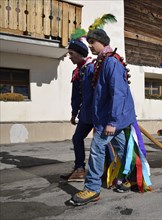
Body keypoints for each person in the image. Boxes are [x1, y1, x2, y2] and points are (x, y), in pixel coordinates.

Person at [70, 29, 151, 206]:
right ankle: (131, 178)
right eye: (89, 42)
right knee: (122, 150)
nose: (89, 45)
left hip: (113, 118)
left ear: (102, 42)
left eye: (92, 42)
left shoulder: (111, 62)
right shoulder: (102, 61)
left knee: (97, 149)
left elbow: (118, 93)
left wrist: (112, 121)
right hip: (112, 117)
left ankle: (92, 188)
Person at [61, 39, 94, 182]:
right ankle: (79, 169)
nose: (69, 56)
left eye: (71, 53)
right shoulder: (77, 71)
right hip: (86, 114)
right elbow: (76, 96)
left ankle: (110, 172)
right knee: (77, 138)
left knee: (103, 144)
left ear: (80, 54)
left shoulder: (93, 68)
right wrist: (74, 113)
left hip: (98, 113)